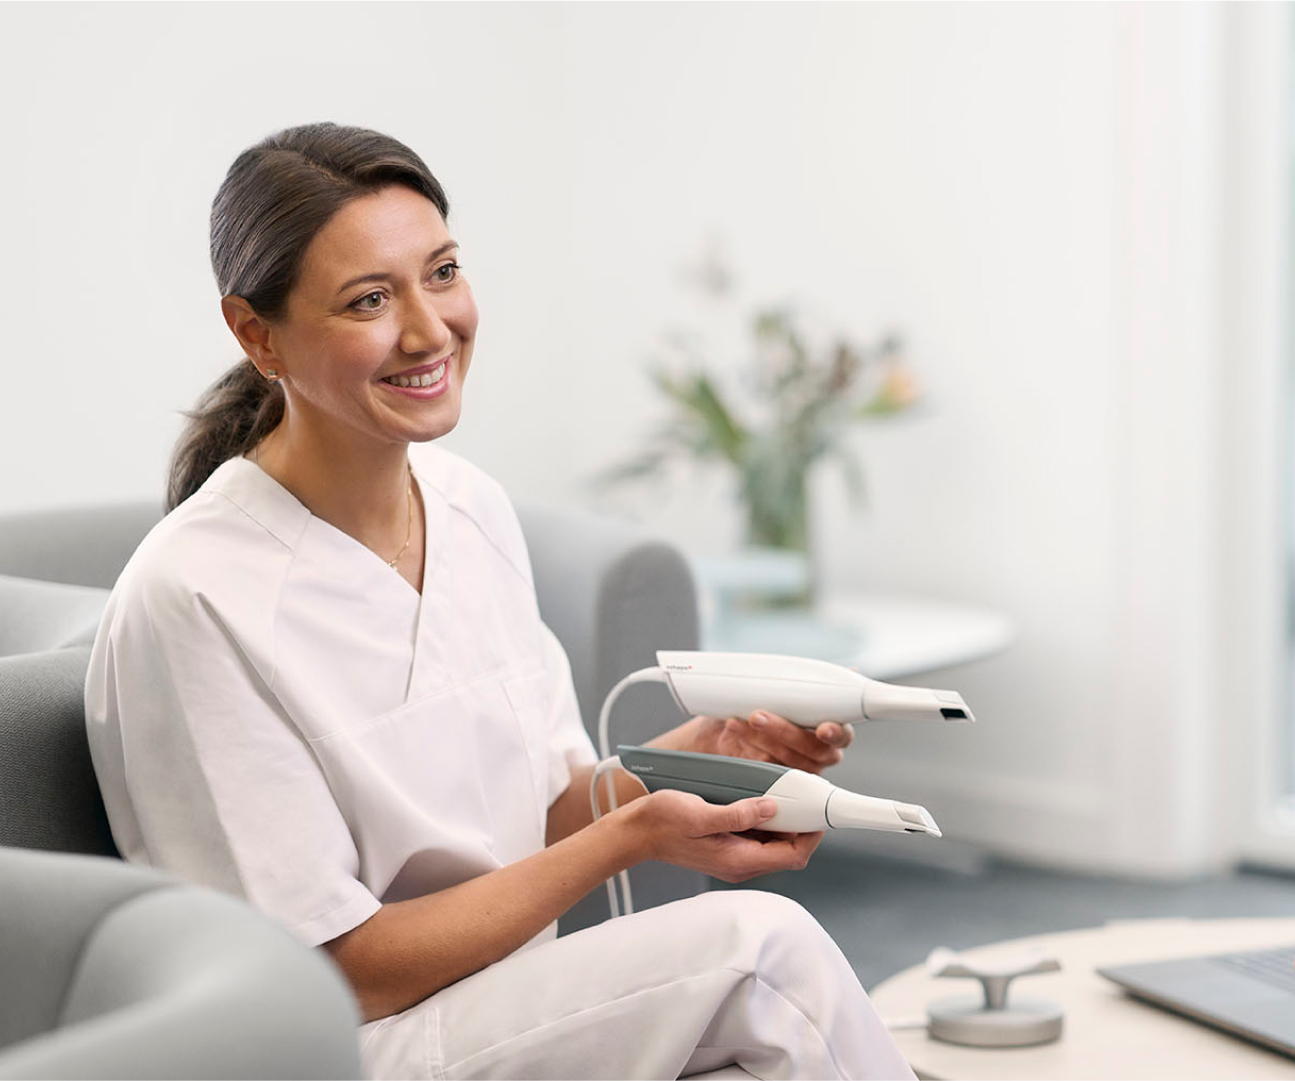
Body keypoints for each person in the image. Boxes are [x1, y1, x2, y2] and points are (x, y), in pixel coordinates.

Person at [85, 123, 912, 1080]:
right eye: (369, 299)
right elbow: (330, 973)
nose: (430, 329)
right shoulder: (192, 597)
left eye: (441, 272)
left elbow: (541, 813)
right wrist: (628, 838)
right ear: (255, 333)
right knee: (765, 957)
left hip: (502, 1006)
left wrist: (698, 760)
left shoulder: (468, 507)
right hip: (338, 1045)